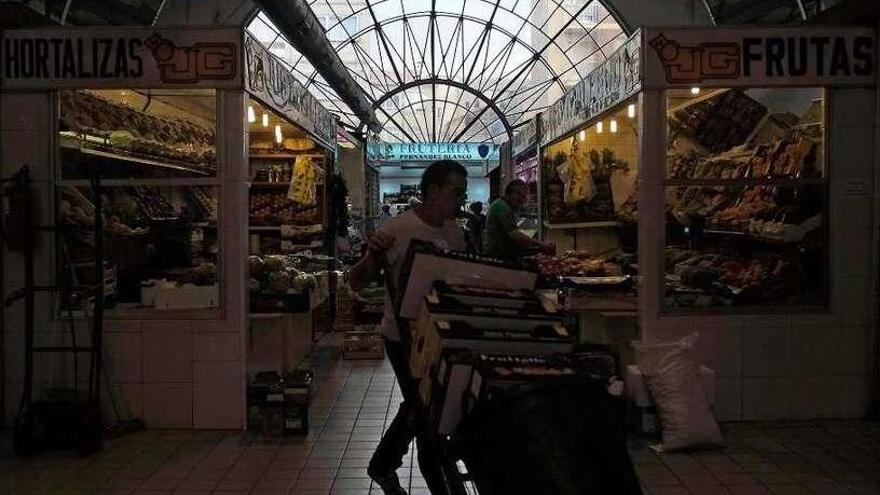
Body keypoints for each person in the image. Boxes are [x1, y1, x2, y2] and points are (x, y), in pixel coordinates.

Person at [348, 160, 468, 495]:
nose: (460, 199)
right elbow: (355, 282)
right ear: (432, 191)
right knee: (423, 407)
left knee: (424, 406)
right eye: (455, 192)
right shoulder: (396, 230)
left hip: (441, 335)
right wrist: (371, 258)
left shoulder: (454, 233)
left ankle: (384, 464)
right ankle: (418, 474)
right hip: (401, 337)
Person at [484, 179, 555, 258]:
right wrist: (541, 244)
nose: (524, 200)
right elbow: (516, 235)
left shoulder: (502, 204)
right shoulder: (502, 208)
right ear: (514, 193)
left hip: (503, 249)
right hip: (498, 253)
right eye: (522, 196)